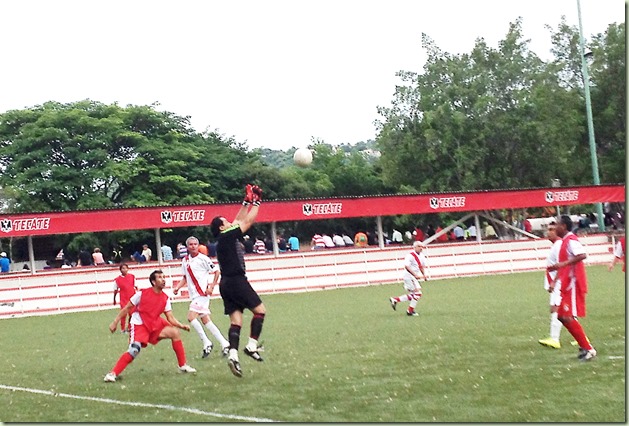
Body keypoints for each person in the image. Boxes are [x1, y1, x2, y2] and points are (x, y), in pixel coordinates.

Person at [210, 184, 266, 378]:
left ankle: (233, 355)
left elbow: (238, 219)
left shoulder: (223, 239)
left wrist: (246, 201)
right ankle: (251, 346)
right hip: (236, 280)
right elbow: (246, 221)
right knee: (260, 311)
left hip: (225, 283)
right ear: (221, 227)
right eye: (226, 221)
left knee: (236, 321)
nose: (230, 222)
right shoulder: (227, 235)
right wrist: (257, 203)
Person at [104, 269, 196, 382]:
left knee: (175, 333)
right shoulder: (142, 293)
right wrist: (115, 321)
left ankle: (183, 366)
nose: (163, 280)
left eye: (164, 277)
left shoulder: (165, 298)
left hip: (154, 324)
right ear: (153, 282)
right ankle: (112, 374)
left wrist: (182, 326)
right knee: (134, 350)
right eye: (160, 277)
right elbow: (128, 307)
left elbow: (170, 318)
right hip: (139, 324)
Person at [546, 215, 597, 361]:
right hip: (567, 283)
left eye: (557, 225)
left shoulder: (571, 240)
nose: (555, 228)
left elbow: (582, 255)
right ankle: (584, 345)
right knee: (562, 316)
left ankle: (588, 348)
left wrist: (562, 265)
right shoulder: (564, 242)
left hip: (573, 283)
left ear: (564, 226)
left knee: (566, 316)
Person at [173, 236, 230, 358]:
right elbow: (185, 277)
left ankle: (206, 342)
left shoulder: (203, 259)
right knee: (206, 321)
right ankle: (225, 343)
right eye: (191, 244)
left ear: (198, 245)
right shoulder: (185, 261)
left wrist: (212, 286)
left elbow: (217, 271)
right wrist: (178, 287)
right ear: (187, 247)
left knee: (191, 317)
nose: (193, 246)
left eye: (195, 244)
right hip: (194, 294)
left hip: (202, 293)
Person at [538, 222, 564, 349]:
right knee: (564, 310)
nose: (548, 232)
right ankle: (581, 337)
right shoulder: (556, 245)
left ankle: (554, 338)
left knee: (556, 309)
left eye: (552, 229)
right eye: (548, 229)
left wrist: (554, 282)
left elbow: (562, 265)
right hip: (557, 282)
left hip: (559, 283)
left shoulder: (559, 245)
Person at [389, 241, 428, 316]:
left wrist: (424, 275)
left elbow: (421, 266)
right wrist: (415, 274)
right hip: (409, 276)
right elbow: (407, 266)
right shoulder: (410, 255)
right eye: (419, 246)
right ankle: (410, 311)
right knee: (418, 294)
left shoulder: (422, 256)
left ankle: (395, 300)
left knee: (413, 295)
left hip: (413, 277)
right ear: (415, 247)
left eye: (422, 247)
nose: (421, 248)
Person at [113, 263, 137, 333]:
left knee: (132, 314)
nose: (125, 270)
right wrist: (114, 299)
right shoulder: (117, 279)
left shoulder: (132, 277)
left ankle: (129, 327)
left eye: (126, 268)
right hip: (123, 298)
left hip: (132, 298)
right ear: (120, 270)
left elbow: (136, 286)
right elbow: (115, 290)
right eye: (123, 268)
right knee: (123, 314)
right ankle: (122, 329)